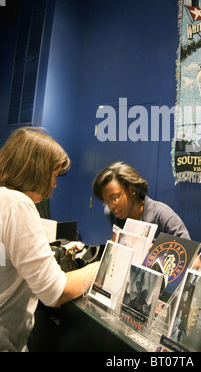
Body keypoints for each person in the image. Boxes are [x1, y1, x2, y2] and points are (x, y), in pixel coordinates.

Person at [0, 127, 98, 352]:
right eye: (53, 175)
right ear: (37, 170)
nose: (54, 185)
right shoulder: (18, 204)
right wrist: (98, 269)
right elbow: (54, 292)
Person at [92, 161, 190, 240]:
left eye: (115, 198)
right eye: (107, 201)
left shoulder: (163, 216)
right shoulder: (111, 214)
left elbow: (195, 262)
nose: (111, 206)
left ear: (131, 190)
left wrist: (151, 250)